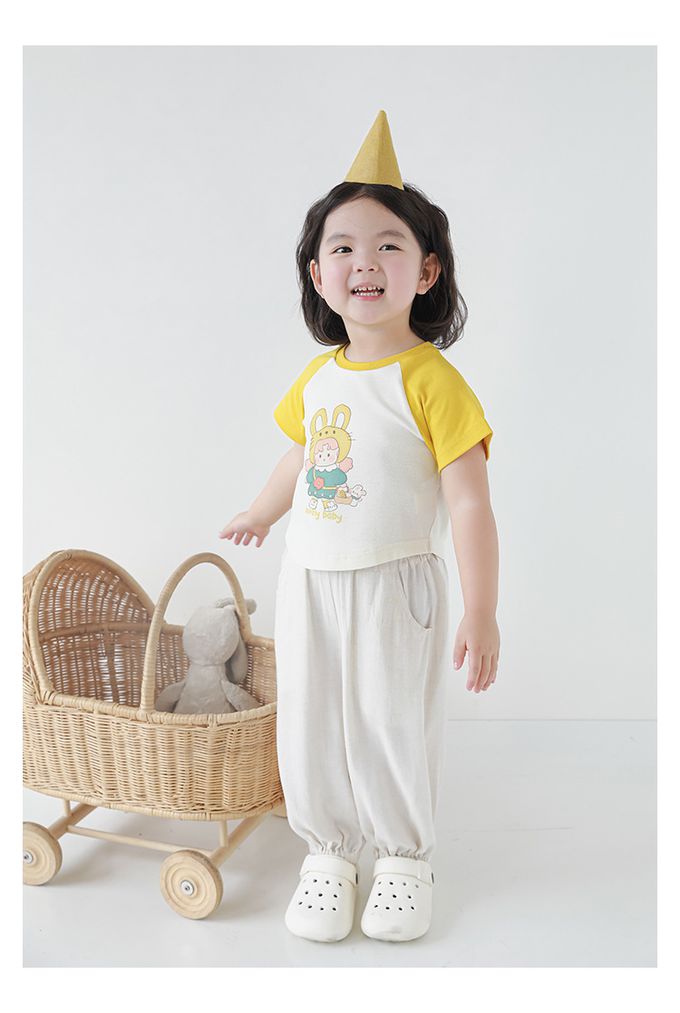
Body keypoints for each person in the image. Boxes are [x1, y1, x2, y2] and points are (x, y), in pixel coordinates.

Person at [219, 111, 500, 944]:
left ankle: (403, 859)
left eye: (388, 244)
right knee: (310, 716)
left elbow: (470, 502)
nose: (364, 262)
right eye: (342, 247)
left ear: (426, 269)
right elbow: (300, 454)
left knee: (388, 719)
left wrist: (482, 608)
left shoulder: (432, 380)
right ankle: (329, 852)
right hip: (310, 578)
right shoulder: (317, 376)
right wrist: (262, 511)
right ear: (317, 273)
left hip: (394, 582)